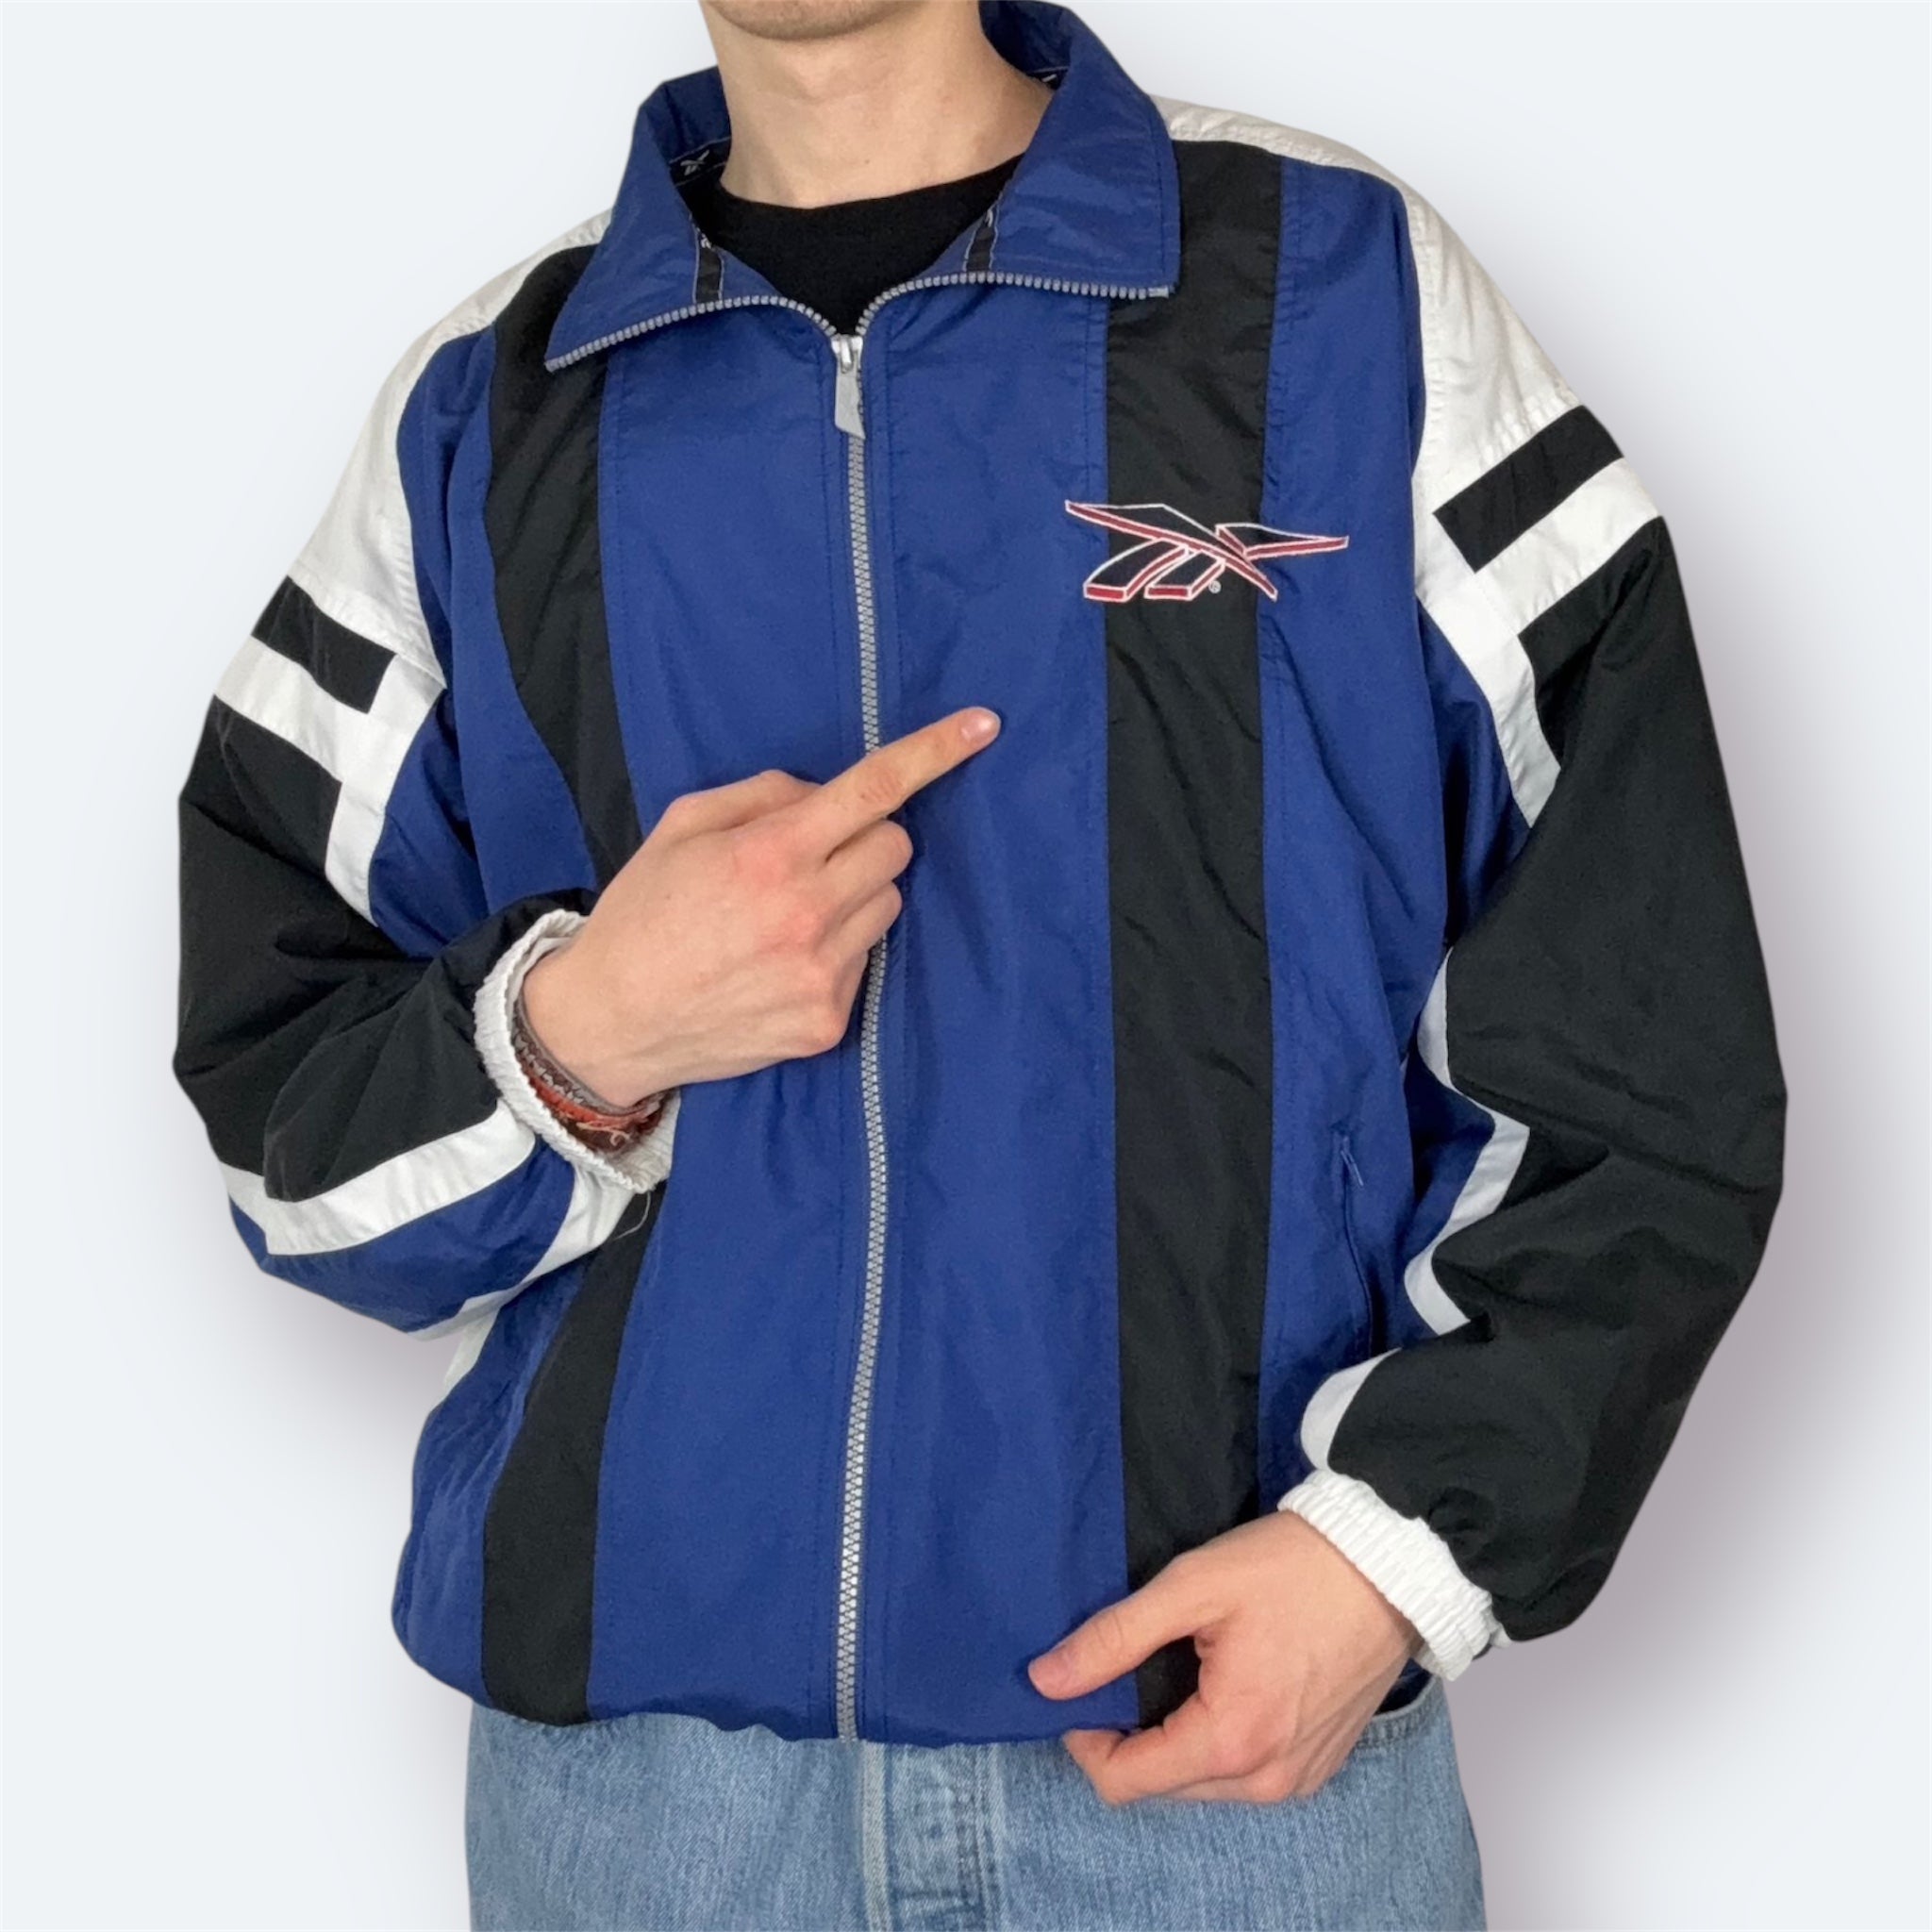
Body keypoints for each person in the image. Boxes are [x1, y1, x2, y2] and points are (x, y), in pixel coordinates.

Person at [171, 0, 1787, 1924]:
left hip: (1227, 1763)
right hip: (648, 1812)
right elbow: (290, 1133)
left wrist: (1401, 1551)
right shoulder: (492, 404)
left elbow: (1644, 1032)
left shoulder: (1337, 288)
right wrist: (577, 1035)